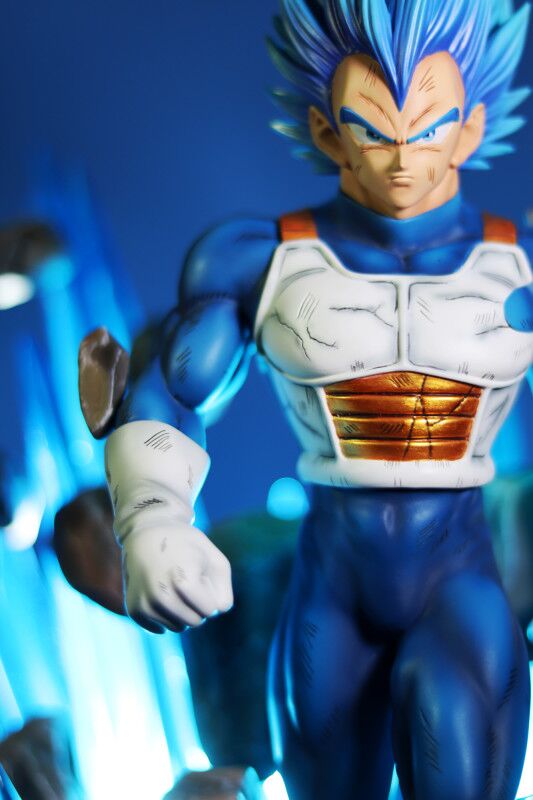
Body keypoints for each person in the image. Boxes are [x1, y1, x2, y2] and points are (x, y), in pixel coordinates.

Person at [103, 1, 533, 798]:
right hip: (329, 593)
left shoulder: (518, 263)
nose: (400, 158)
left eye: (427, 128)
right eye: (372, 130)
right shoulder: (259, 261)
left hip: (461, 584)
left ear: (469, 129)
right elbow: (173, 387)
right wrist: (152, 520)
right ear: (326, 131)